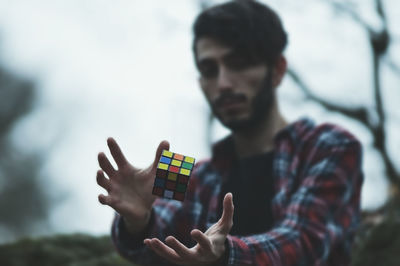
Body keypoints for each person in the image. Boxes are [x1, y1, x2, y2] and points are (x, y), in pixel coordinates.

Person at [96, 0, 364, 265]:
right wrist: (137, 221)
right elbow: (148, 248)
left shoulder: (332, 146)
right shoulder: (189, 170)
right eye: (209, 70)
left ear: (278, 70)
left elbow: (304, 241)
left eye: (239, 63)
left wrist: (226, 253)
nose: (223, 83)